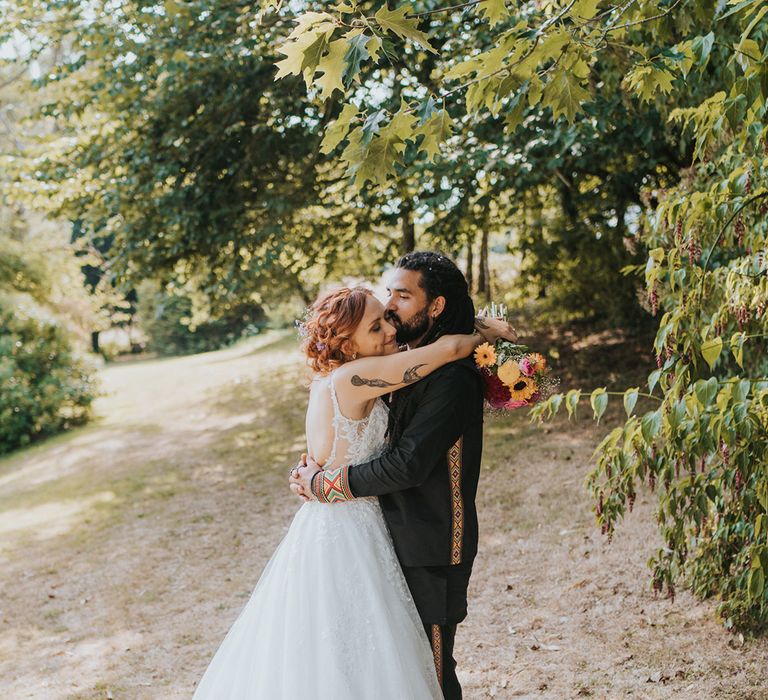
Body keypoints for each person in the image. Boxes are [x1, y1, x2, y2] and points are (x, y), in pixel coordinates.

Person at [192, 278, 515, 699]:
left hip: (328, 520)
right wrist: (485, 332)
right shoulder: (356, 376)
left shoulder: (329, 381)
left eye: (386, 319)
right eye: (376, 327)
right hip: (351, 527)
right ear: (346, 343)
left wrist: (314, 479)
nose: (391, 331)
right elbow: (449, 351)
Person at [290, 251, 517, 700]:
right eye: (384, 300)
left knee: (428, 674)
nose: (390, 311)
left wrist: (323, 483)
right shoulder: (390, 365)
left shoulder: (451, 378)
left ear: (435, 306)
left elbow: (407, 463)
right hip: (375, 540)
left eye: (401, 296)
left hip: (428, 542)